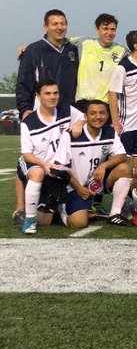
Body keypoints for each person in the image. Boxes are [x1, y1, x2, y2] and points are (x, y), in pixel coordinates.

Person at [16, 80, 84, 235]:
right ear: (39, 96)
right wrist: (43, 164)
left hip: (57, 170)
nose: (53, 97)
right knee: (38, 172)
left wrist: (80, 122)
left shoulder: (67, 110)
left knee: (45, 222)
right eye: (47, 93)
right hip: (35, 164)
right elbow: (26, 154)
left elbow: (84, 117)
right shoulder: (28, 122)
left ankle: (58, 206)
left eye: (55, 93)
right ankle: (29, 220)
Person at [55, 99, 132, 229]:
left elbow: (123, 156)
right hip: (74, 186)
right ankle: (61, 210)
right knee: (79, 223)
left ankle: (114, 214)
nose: (98, 117)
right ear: (85, 116)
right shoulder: (70, 136)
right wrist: (78, 188)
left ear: (107, 115)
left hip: (96, 183)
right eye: (93, 113)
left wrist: (104, 165)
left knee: (125, 169)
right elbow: (60, 167)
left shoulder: (110, 132)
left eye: (102, 113)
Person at [16, 9, 80, 119]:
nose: (59, 27)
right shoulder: (33, 50)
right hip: (42, 113)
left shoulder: (74, 49)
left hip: (69, 113)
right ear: (46, 27)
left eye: (62, 24)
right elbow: (23, 83)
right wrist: (25, 109)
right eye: (54, 24)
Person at [108, 30, 137, 160]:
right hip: (127, 126)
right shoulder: (123, 68)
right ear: (136, 46)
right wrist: (116, 123)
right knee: (123, 164)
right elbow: (112, 95)